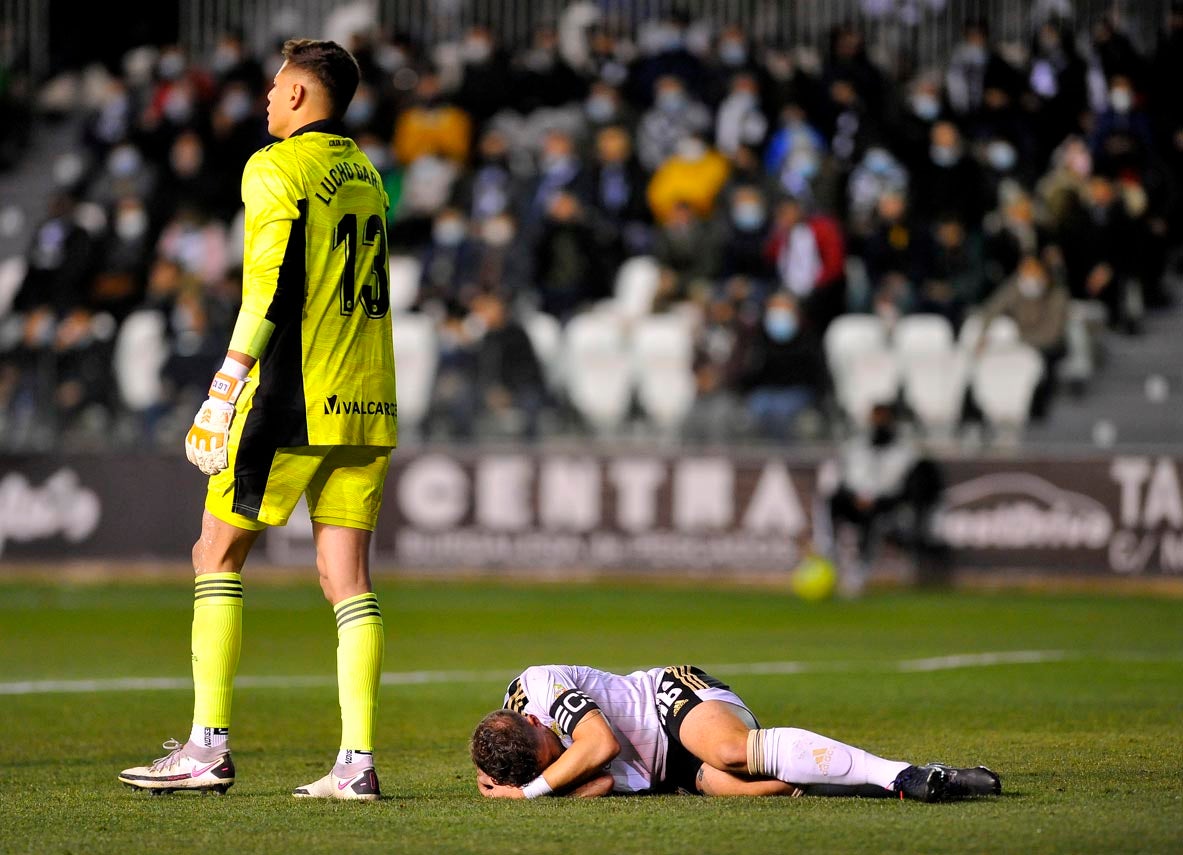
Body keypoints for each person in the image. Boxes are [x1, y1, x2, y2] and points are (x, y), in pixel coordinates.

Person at [118, 39, 397, 802]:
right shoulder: (367, 175)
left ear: (303, 97)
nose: (269, 99)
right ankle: (356, 762)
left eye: (277, 87)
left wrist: (226, 380)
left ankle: (207, 747)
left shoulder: (275, 166)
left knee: (215, 551)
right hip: (369, 397)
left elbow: (269, 287)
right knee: (347, 579)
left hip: (294, 395)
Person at [471, 663, 1001, 801]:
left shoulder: (536, 689)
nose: (554, 752)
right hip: (666, 767)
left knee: (730, 753)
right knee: (761, 789)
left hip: (669, 701)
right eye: (548, 761)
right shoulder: (511, 760)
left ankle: (903, 772)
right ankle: (897, 783)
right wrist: (544, 785)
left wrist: (534, 793)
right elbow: (601, 782)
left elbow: (601, 747)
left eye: (550, 745)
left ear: (535, 720)